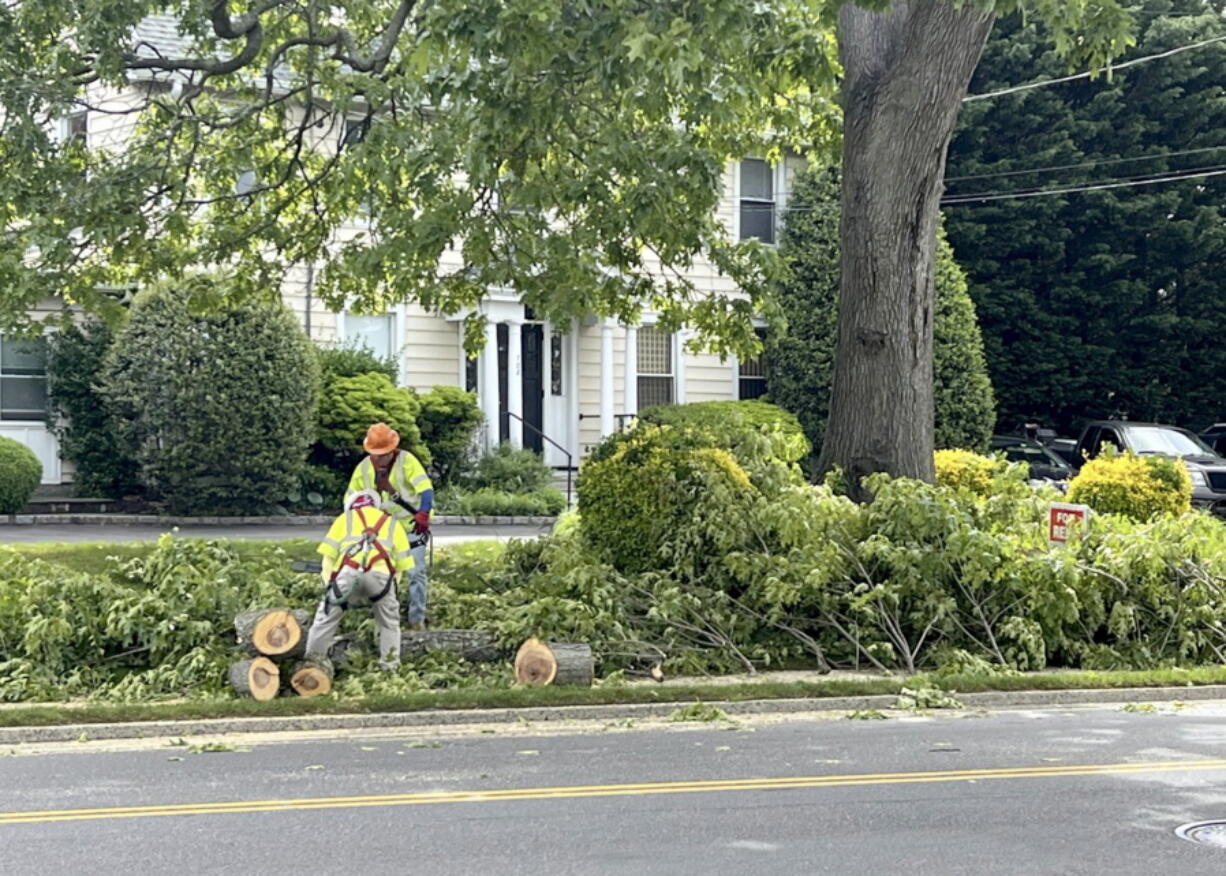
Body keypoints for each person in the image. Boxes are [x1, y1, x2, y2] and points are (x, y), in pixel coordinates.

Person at [304, 490, 415, 669]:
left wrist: (330, 588)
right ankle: (390, 666)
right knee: (389, 624)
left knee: (324, 620)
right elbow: (401, 567)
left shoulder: (344, 519)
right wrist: (388, 591)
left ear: (351, 506)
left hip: (347, 574)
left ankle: (312, 664)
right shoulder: (393, 523)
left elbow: (328, 560)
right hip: (382, 578)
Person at [346, 422, 434, 630]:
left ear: (393, 449)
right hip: (380, 529)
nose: (379, 458)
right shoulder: (364, 468)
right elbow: (351, 499)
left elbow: (425, 489)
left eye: (383, 454)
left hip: (411, 526)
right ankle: (381, 619)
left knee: (416, 573)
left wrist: (424, 512)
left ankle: (416, 620)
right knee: (377, 573)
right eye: (375, 454)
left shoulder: (407, 461)